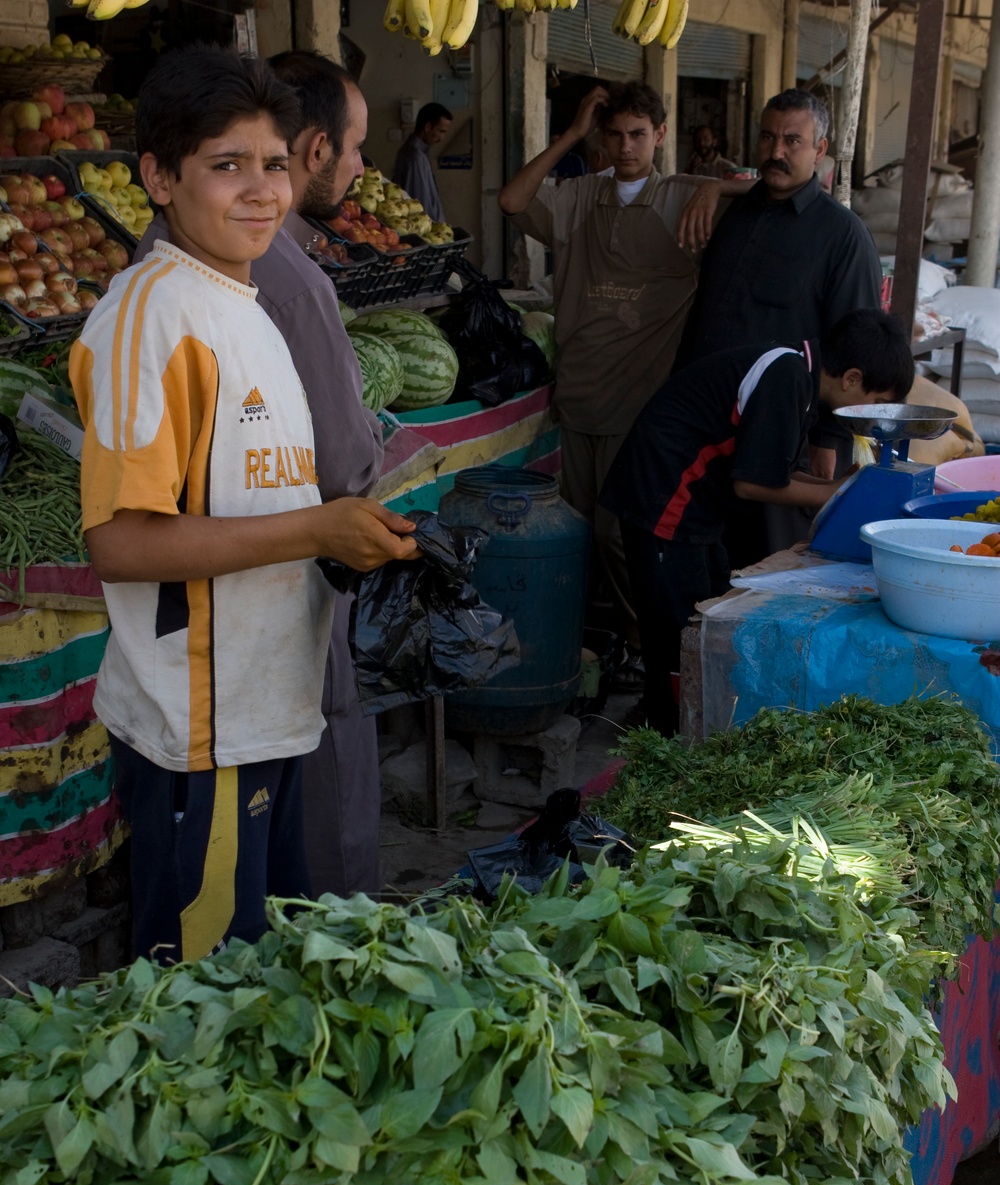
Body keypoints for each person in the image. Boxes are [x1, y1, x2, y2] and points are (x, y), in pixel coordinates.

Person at [71, 45, 418, 963]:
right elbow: (120, 541)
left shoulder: (246, 297)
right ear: (158, 177)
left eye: (272, 164)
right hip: (201, 730)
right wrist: (315, 528)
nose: (261, 190)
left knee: (257, 978)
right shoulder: (153, 314)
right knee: (204, 1000)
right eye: (227, 166)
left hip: (262, 708)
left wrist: (345, 538)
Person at [498, 79, 742, 678]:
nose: (627, 146)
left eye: (639, 134)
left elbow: (773, 190)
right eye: (615, 134)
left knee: (619, 535)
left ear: (660, 135)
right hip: (580, 391)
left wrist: (715, 183)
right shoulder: (578, 196)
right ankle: (583, 643)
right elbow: (511, 201)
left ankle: (648, 649)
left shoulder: (684, 196)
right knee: (579, 532)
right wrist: (572, 136)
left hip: (644, 402)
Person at [599, 310, 915, 737]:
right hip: (665, 501)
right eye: (877, 401)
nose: (874, 416)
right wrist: (838, 493)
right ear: (852, 378)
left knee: (708, 614)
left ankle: (694, 721)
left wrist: (841, 486)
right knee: (676, 630)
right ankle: (665, 733)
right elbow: (752, 484)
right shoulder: (785, 376)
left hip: (698, 508)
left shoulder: (799, 374)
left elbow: (774, 473)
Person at [675, 90, 882, 496]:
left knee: (769, 552)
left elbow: (854, 348)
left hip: (781, 433)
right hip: (705, 425)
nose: (777, 151)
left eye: (793, 141)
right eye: (768, 138)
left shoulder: (843, 236)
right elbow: (702, 317)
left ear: (820, 150)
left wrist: (830, 438)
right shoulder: (736, 216)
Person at [392, 102, 451, 221]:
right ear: (428, 127)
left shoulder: (413, 152)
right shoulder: (416, 158)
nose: (441, 138)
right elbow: (420, 205)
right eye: (441, 131)